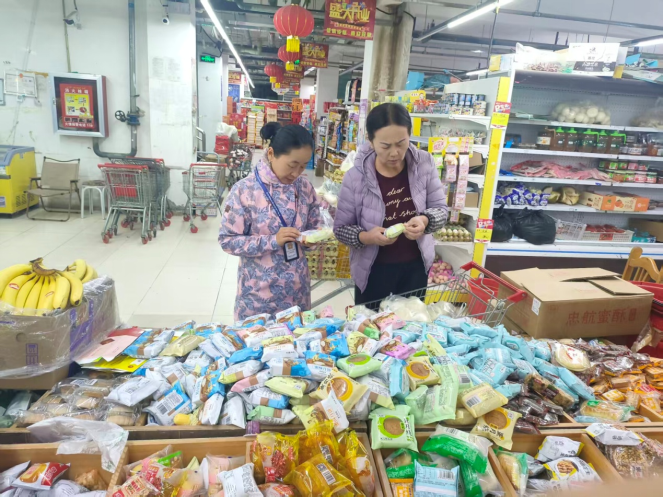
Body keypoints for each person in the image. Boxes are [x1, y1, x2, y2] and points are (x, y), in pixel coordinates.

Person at [334, 103, 448, 307]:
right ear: (370, 141)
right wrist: (367, 237)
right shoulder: (355, 177)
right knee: (370, 324)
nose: (395, 153)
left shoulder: (424, 164)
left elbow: (441, 210)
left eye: (401, 143)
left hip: (415, 269)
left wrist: (425, 220)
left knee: (410, 323)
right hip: (372, 271)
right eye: (385, 146)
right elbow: (341, 229)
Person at [219, 122, 321, 320]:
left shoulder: (305, 188)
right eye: (292, 165)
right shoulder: (245, 190)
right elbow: (227, 240)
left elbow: (315, 225)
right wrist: (273, 240)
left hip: (297, 292)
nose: (296, 173)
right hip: (258, 295)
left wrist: (312, 239)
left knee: (297, 338)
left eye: (302, 166)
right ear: (272, 154)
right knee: (257, 338)